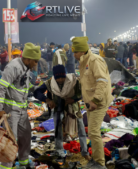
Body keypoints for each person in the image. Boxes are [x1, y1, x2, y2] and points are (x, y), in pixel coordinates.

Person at [0, 43, 40, 169]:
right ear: (28, 58)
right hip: (11, 111)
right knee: (11, 141)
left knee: (25, 137)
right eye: (35, 61)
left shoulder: (26, 68)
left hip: (22, 110)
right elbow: (0, 88)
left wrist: (38, 88)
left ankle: (24, 162)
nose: (36, 64)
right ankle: (7, 166)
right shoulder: (13, 67)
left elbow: (24, 86)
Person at [72, 36, 114, 169]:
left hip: (99, 102)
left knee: (94, 132)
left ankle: (100, 164)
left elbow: (102, 81)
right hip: (91, 101)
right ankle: (95, 160)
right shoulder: (84, 61)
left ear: (82, 51)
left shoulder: (95, 60)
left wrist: (95, 100)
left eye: (75, 52)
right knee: (91, 132)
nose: (74, 55)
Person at [34, 64, 90, 160]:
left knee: (81, 129)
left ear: (65, 75)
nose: (60, 80)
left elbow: (82, 92)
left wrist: (73, 99)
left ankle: (84, 152)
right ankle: (60, 151)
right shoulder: (50, 83)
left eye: (62, 77)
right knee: (58, 130)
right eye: (58, 78)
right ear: (54, 77)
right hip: (58, 108)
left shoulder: (73, 81)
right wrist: (47, 100)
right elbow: (37, 92)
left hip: (74, 109)